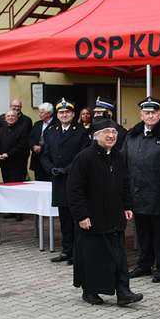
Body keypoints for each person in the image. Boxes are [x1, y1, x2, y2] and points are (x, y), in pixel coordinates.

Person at [66, 118, 143, 306]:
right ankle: (90, 291)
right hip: (93, 219)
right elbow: (74, 190)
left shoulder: (118, 156)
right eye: (107, 132)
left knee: (118, 257)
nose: (111, 136)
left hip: (115, 218)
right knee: (94, 258)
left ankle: (123, 291)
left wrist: (127, 205)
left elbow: (125, 183)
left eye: (115, 132)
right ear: (96, 135)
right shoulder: (84, 158)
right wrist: (81, 216)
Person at [124, 97, 160, 283]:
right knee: (143, 233)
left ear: (159, 114)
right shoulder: (132, 135)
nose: (150, 116)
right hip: (138, 193)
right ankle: (144, 265)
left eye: (154, 112)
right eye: (147, 113)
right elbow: (124, 164)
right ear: (141, 115)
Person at [41, 99, 89, 263]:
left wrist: (67, 169)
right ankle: (66, 250)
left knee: (77, 218)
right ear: (57, 115)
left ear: (73, 114)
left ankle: (78, 252)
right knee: (64, 219)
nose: (64, 115)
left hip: (75, 180)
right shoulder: (50, 131)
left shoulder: (81, 131)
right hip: (58, 181)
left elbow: (83, 156)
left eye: (67, 112)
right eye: (61, 112)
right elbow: (45, 155)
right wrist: (50, 168)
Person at [0, 109, 30, 183]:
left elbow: (22, 146)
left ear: (17, 118)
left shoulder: (22, 130)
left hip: (17, 165)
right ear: (5, 118)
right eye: (8, 116)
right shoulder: (1, 131)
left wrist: (8, 154)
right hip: (4, 164)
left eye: (12, 116)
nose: (10, 118)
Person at [29, 102, 54, 182]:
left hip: (49, 159)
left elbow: (53, 140)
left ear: (49, 113)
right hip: (37, 159)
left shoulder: (56, 124)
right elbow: (30, 138)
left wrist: (41, 147)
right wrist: (33, 146)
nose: (39, 114)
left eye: (41, 112)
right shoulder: (37, 124)